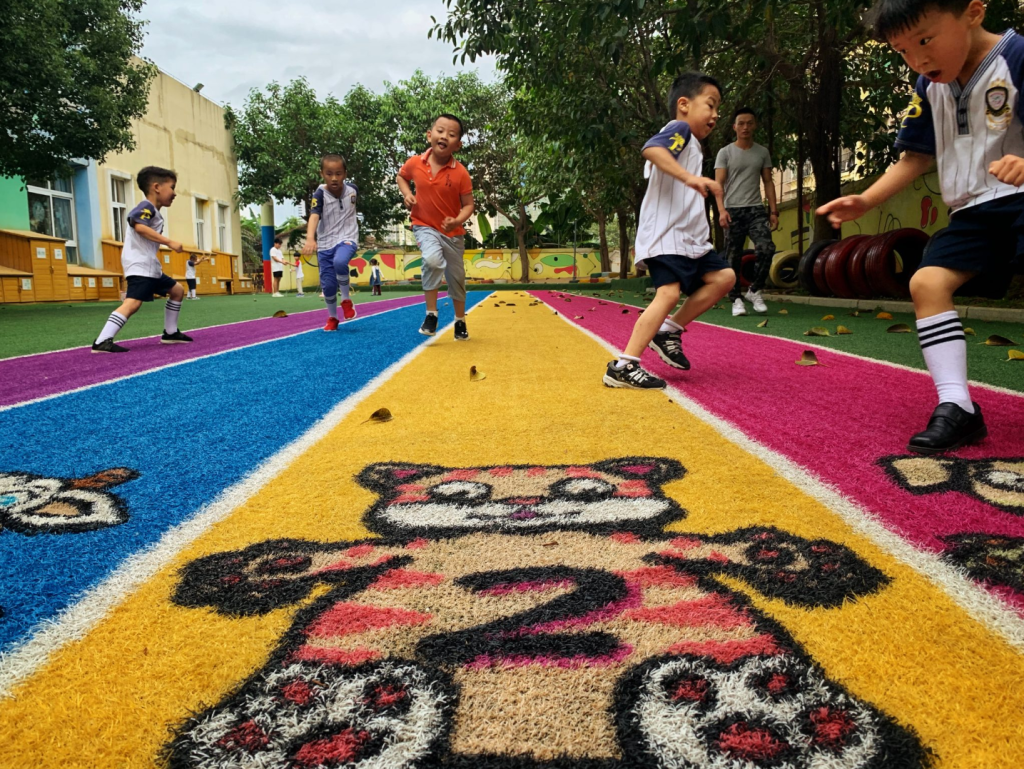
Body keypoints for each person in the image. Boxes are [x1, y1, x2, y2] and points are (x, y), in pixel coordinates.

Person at [819, 0, 1024, 454]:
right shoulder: (928, 86)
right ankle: (958, 407)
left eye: (925, 41)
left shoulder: (1017, 57)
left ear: (972, 13)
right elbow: (915, 156)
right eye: (903, 51)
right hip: (972, 211)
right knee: (927, 283)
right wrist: (866, 199)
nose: (918, 60)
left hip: (1021, 197)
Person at [603, 72, 734, 389]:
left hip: (691, 241)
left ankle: (669, 330)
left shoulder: (693, 146)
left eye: (718, 109)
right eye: (711, 104)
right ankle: (623, 365)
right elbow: (652, 150)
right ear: (685, 104)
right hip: (667, 237)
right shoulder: (679, 130)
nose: (716, 115)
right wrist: (690, 179)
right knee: (669, 293)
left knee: (725, 278)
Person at [92, 166, 191, 353]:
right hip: (140, 265)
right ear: (156, 187)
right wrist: (169, 242)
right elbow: (138, 225)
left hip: (150, 266)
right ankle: (102, 340)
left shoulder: (154, 211)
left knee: (177, 290)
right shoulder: (146, 207)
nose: (174, 193)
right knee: (133, 303)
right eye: (172, 187)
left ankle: (170, 333)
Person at [397, 114, 475, 340]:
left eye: (451, 135)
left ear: (457, 145)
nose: (445, 136)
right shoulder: (414, 163)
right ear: (430, 135)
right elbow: (401, 177)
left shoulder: (460, 173)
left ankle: (460, 321)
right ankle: (431, 314)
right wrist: (407, 193)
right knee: (431, 260)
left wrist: (457, 220)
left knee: (456, 278)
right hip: (424, 226)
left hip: (452, 234)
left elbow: (469, 205)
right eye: (440, 131)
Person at [714, 107, 779, 316]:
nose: (745, 127)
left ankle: (753, 290)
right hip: (732, 210)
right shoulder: (725, 153)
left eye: (749, 123)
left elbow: (768, 181)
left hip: (756, 210)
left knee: (766, 248)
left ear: (755, 125)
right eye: (741, 123)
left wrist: (774, 211)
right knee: (733, 257)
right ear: (734, 127)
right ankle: (736, 300)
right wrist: (721, 211)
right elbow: (719, 184)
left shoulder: (762, 152)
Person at [303, 154, 360, 331]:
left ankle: (346, 300)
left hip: (347, 238)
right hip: (325, 243)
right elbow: (314, 215)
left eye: (338, 173)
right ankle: (333, 318)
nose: (334, 178)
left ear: (345, 174)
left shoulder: (353, 190)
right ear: (322, 174)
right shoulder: (319, 194)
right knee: (328, 285)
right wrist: (310, 238)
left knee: (340, 261)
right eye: (329, 174)